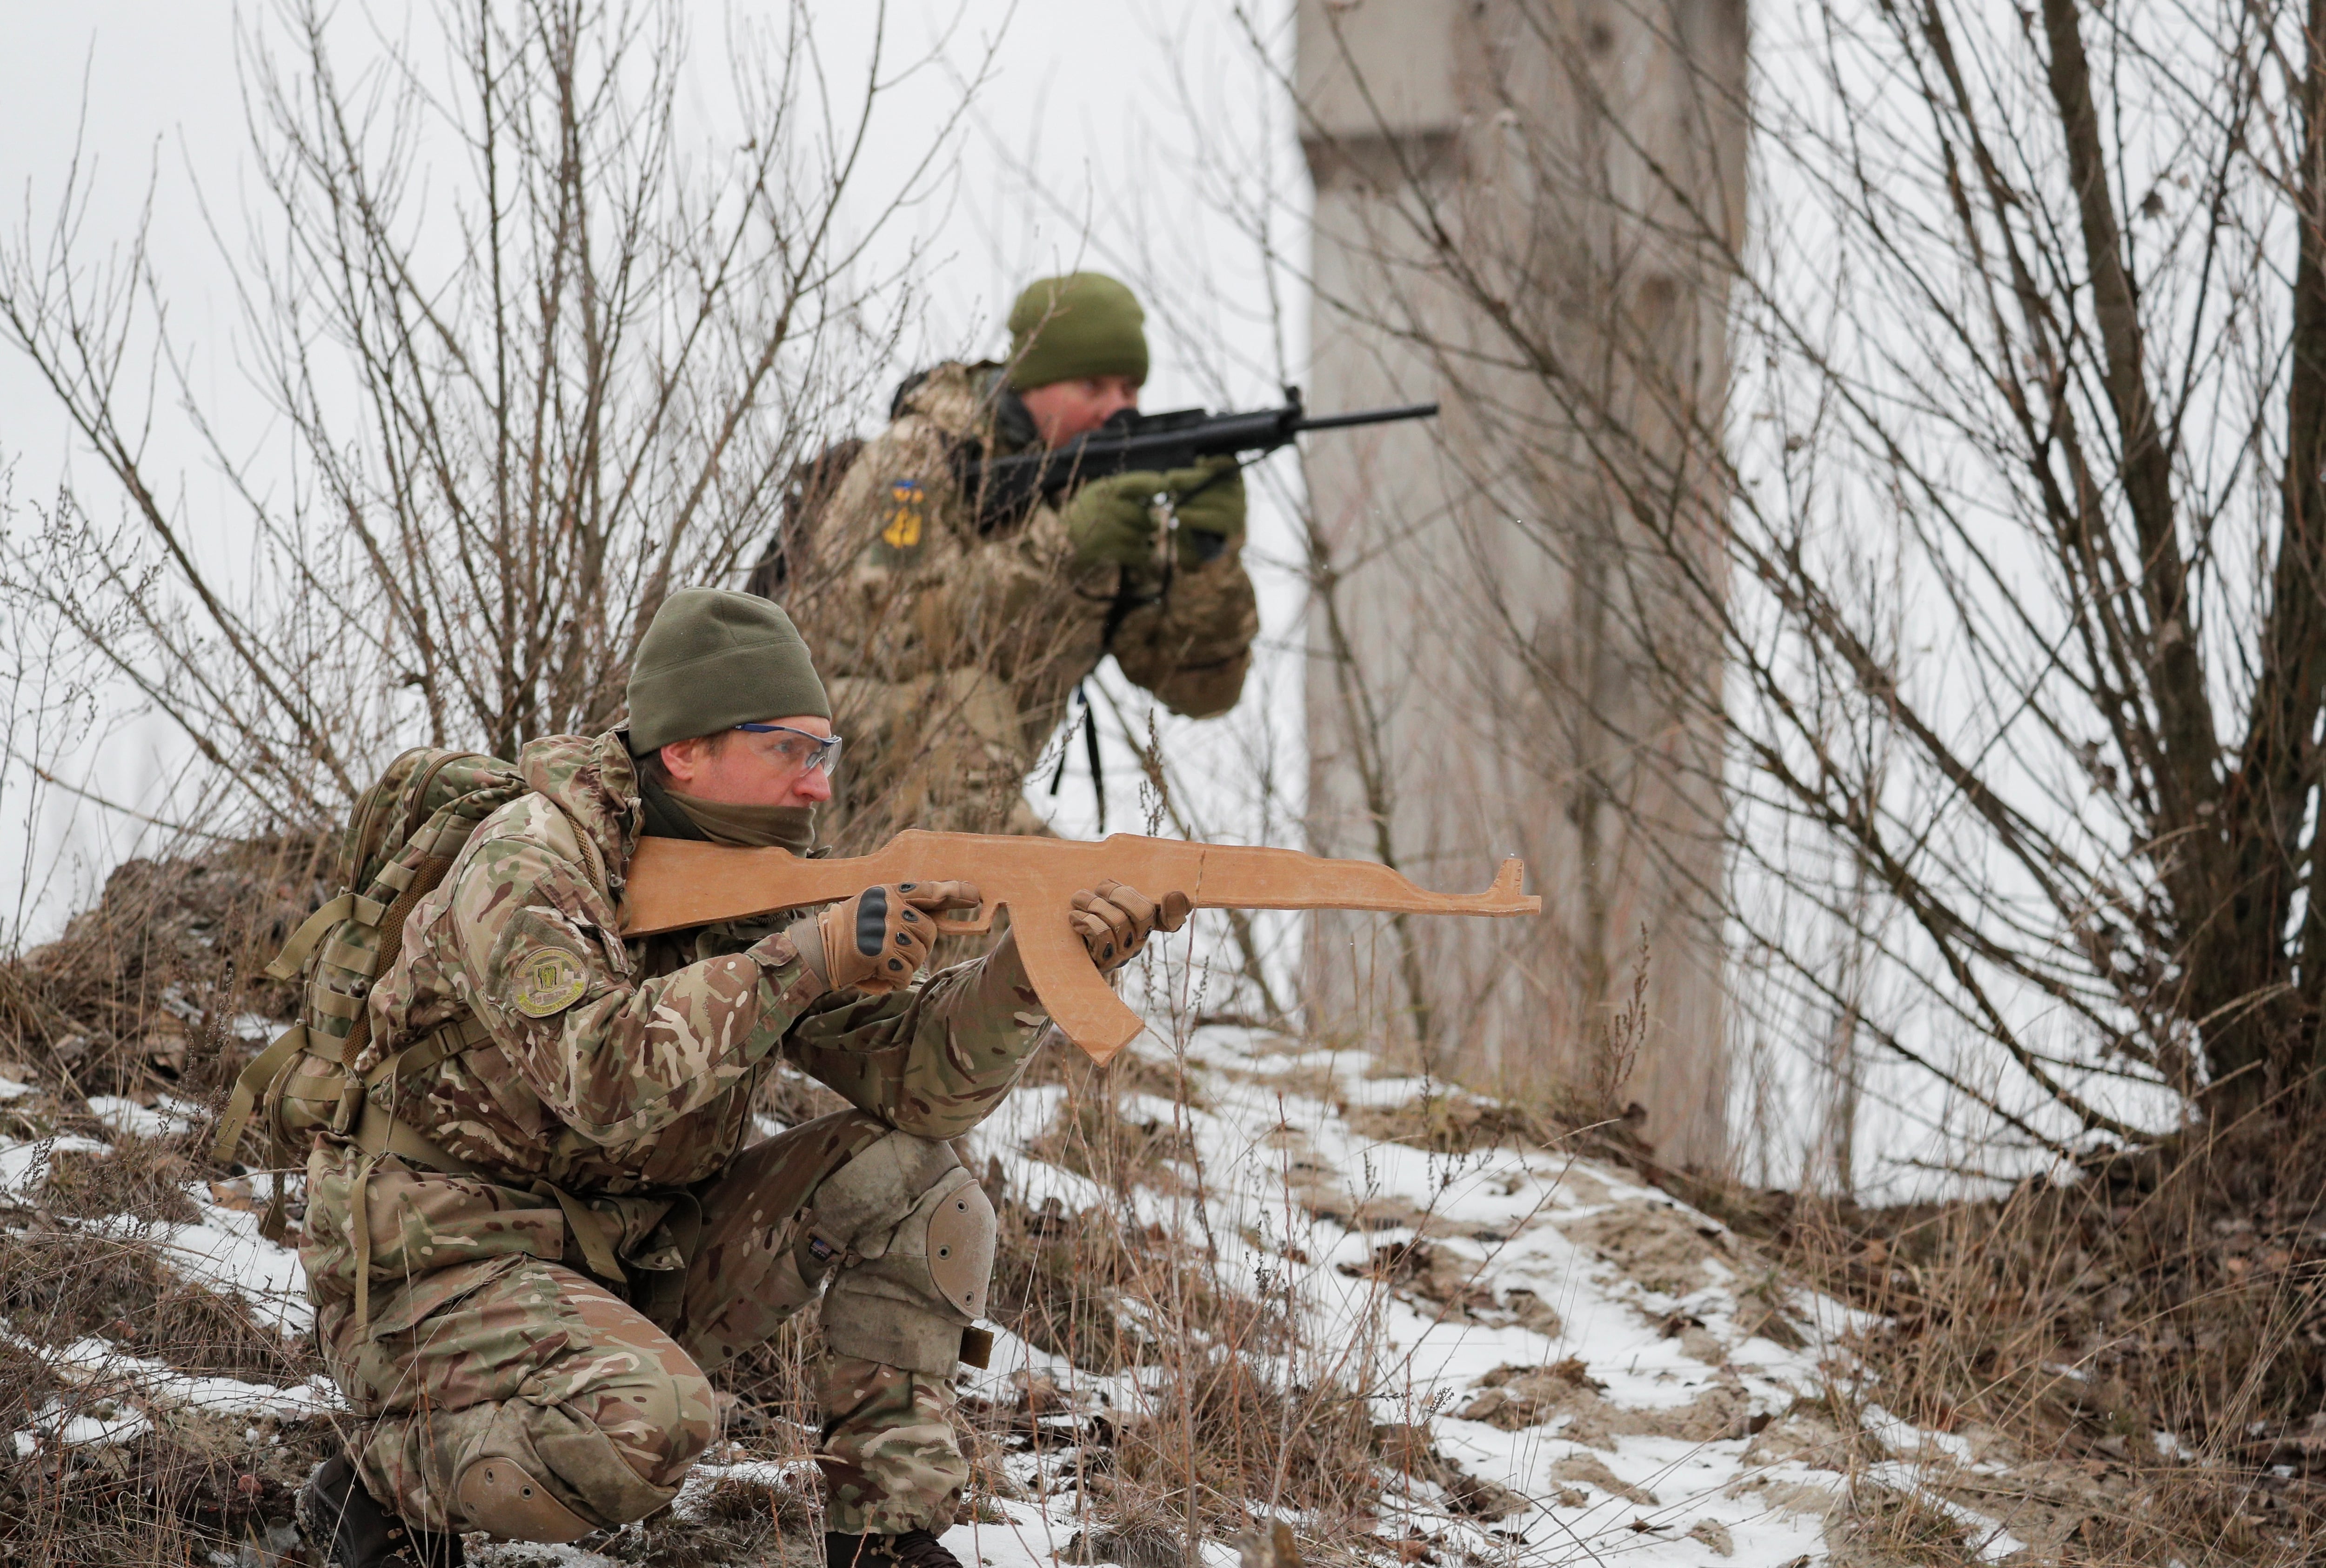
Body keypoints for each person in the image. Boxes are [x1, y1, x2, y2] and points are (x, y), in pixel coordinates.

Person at [295, 588, 1186, 1568]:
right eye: (789, 751)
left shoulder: (752, 877)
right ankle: (380, 1477)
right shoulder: (530, 860)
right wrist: (807, 957)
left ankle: (883, 1535)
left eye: (825, 754)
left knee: (919, 1182)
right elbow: (599, 1076)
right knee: (645, 1426)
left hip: (627, 1254)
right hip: (434, 1270)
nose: (818, 786)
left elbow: (920, 1085)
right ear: (684, 749)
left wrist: (1031, 970)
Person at [753, 271, 1259, 848]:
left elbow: (1200, 688)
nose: (1116, 410)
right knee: (967, 700)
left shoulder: (1097, 494)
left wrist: (1208, 557)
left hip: (959, 791)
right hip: (823, 764)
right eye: (1092, 387)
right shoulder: (917, 461)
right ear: (1029, 383)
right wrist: (1059, 549)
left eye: (1129, 389)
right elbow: (885, 632)